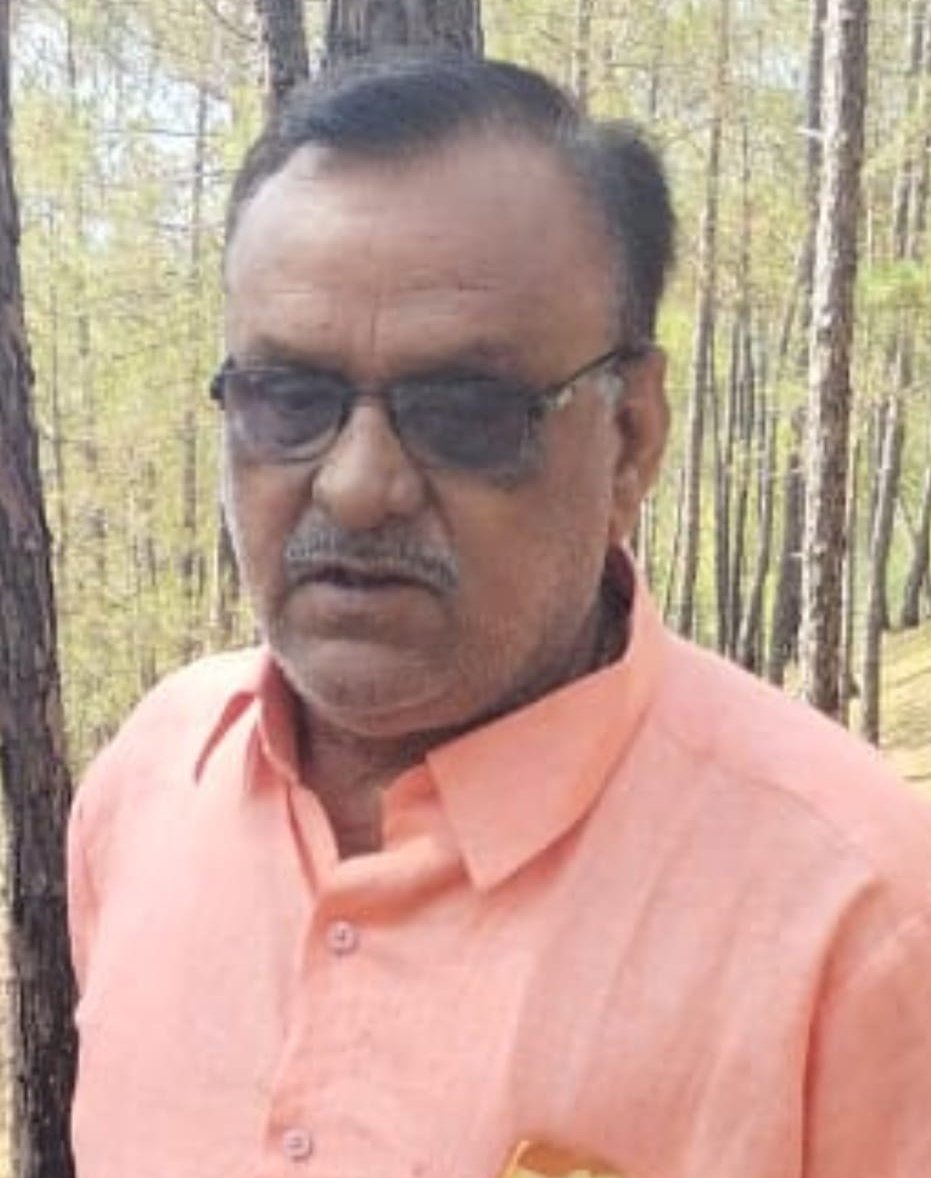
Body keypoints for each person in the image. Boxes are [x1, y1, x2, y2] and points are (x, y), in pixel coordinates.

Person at [67, 55, 931, 1178]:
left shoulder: (860, 916)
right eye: (288, 398)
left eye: (465, 410)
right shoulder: (146, 789)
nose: (356, 484)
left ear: (630, 437)